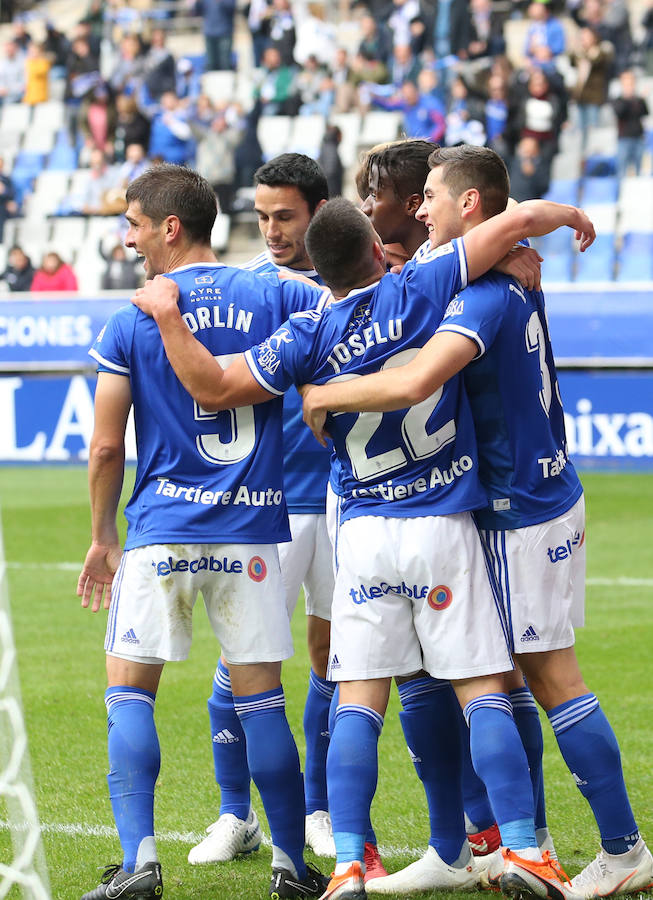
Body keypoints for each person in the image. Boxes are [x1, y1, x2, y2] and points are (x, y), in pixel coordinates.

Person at [132, 181, 595, 900]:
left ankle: (349, 862)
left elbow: (217, 387)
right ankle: (525, 850)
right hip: (442, 522)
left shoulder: (305, 334)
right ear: (379, 250)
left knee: (357, 698)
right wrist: (566, 220)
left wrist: (168, 317)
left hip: (365, 531)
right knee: (480, 690)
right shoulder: (420, 285)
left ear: (322, 270)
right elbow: (524, 218)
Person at [301, 145, 653, 900]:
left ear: (469, 207)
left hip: (514, 508)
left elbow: (421, 378)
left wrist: (327, 395)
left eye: (430, 195)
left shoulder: (480, 294)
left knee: (542, 677)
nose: (418, 208)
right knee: (512, 681)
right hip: (539, 491)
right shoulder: (498, 272)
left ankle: (613, 849)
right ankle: (520, 844)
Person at [77, 163, 330, 900]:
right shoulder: (277, 292)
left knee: (130, 694)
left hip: (162, 528)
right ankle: (290, 864)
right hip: (251, 531)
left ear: (169, 227)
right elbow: (351, 306)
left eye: (132, 224)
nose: (126, 239)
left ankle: (139, 864)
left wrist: (101, 537)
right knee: (261, 703)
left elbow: (103, 447)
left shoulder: (132, 317)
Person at [187, 153, 343, 868]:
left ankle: (314, 808)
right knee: (241, 660)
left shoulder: (354, 284)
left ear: (317, 212)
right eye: (262, 217)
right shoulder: (246, 287)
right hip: (267, 502)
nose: (272, 230)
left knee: (331, 657)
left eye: (286, 216)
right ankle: (234, 813)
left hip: (346, 497)